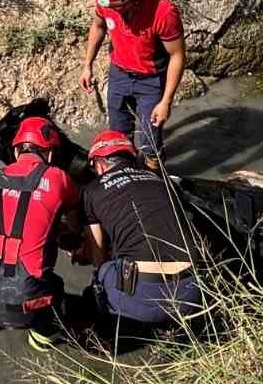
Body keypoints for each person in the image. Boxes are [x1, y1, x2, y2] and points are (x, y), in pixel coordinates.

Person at [0, 116, 80, 352]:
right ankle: (42, 337)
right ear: (50, 154)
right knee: (55, 288)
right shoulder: (57, 177)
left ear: (15, 150)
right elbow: (73, 221)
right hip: (25, 304)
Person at [79, 129, 202, 333]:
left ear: (99, 164)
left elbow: (98, 252)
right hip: (192, 293)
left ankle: (116, 327)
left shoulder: (92, 190)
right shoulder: (162, 181)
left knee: (102, 273)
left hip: (143, 297)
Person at [78, 0, 187, 162]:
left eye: (118, 7)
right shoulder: (107, 2)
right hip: (119, 74)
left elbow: (177, 56)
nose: (113, 11)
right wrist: (87, 66)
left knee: (149, 144)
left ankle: (153, 179)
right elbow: (98, 26)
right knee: (117, 138)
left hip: (151, 81)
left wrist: (166, 101)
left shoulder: (163, 13)